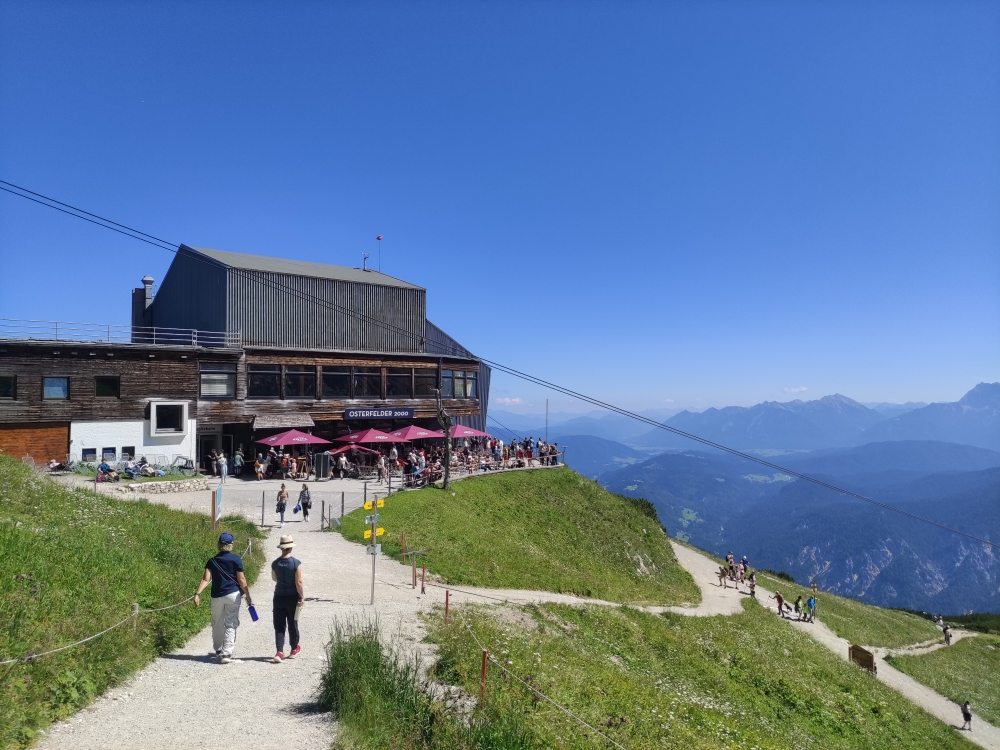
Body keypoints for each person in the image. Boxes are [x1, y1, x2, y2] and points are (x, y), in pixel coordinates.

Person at [194, 531, 253, 664]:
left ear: (219, 544)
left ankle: (218, 649)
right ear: (231, 545)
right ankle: (226, 653)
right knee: (231, 622)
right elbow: (241, 579)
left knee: (217, 622)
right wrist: (248, 596)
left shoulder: (212, 561)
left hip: (216, 596)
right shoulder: (236, 559)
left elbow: (205, 579)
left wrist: (197, 594)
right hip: (233, 594)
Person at [270, 535, 304, 663]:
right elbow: (298, 582)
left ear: (281, 548)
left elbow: (274, 578)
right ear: (290, 548)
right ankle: (294, 648)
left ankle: (279, 652)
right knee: (293, 622)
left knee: (279, 625)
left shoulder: (275, 563)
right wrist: (301, 596)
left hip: (278, 596)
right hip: (292, 597)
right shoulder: (296, 563)